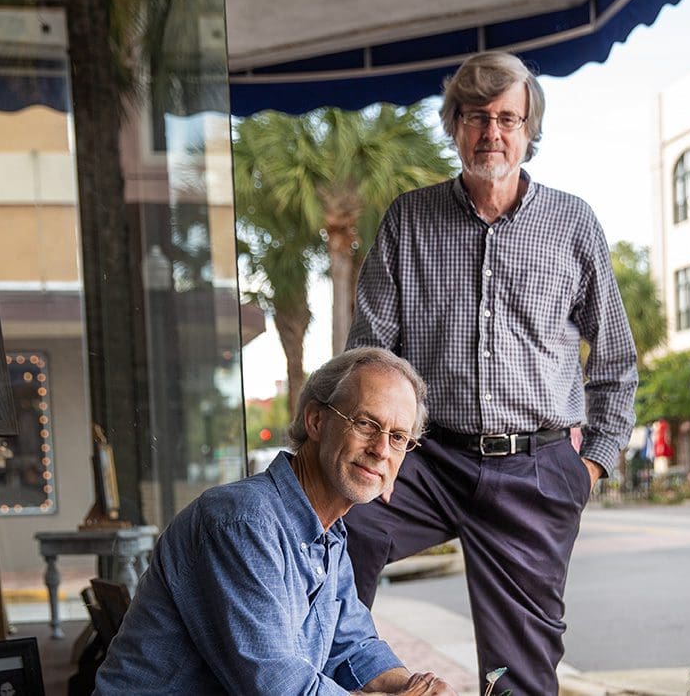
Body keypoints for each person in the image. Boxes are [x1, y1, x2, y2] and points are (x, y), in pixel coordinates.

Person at [344, 51, 638, 696]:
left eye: (509, 117)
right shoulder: (409, 218)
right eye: (477, 116)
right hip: (429, 460)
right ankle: (345, 672)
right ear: (455, 125)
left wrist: (588, 468)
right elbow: (370, 354)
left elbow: (615, 361)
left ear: (529, 130)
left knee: (515, 675)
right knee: (344, 526)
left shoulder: (572, 222)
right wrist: (379, 452)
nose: (493, 132)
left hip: (534, 469)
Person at [94, 347, 457, 696]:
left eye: (398, 438)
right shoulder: (243, 522)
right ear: (316, 421)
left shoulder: (329, 535)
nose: (381, 450)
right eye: (366, 424)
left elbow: (353, 647)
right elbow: (277, 686)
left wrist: (415, 685)